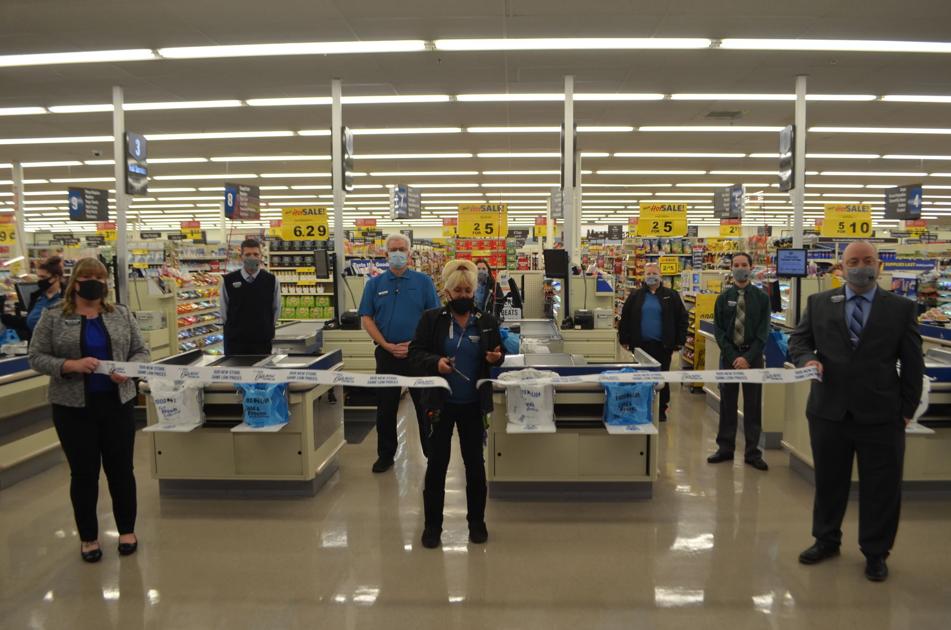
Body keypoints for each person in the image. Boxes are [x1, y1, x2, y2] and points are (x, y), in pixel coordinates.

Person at [789, 241, 923, 582]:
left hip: (882, 414)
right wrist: (807, 360)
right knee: (829, 482)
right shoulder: (818, 303)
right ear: (841, 267)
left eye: (867, 261)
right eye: (853, 261)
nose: (860, 267)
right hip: (828, 411)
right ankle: (826, 539)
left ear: (878, 266)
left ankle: (876, 552)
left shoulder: (900, 308)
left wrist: (906, 409)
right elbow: (799, 342)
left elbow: (912, 362)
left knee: (881, 487)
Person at [28, 257, 150, 563]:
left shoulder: (120, 314)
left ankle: (126, 530)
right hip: (72, 409)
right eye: (88, 277)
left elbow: (141, 349)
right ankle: (88, 537)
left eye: (100, 277)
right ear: (75, 282)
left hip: (117, 403)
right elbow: (36, 357)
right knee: (83, 474)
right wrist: (69, 365)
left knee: (121, 470)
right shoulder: (53, 317)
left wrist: (129, 370)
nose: (95, 282)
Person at [409, 259, 504, 549]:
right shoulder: (432, 319)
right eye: (458, 290)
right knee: (437, 465)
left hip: (473, 404)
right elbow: (416, 353)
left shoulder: (486, 321)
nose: (463, 295)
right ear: (447, 292)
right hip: (440, 404)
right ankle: (432, 526)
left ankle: (477, 522)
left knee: (475, 465)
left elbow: (498, 354)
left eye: (468, 290)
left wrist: (495, 358)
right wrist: (435, 362)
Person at [359, 233, 440, 473]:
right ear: (385, 255)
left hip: (417, 355)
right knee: (385, 408)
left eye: (402, 249)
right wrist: (385, 344)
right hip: (386, 355)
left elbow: (433, 317)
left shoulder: (423, 281)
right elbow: (367, 318)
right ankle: (385, 455)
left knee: (425, 407)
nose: (397, 253)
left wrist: (415, 344)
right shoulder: (374, 284)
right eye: (393, 249)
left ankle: (431, 453)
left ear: (410, 254)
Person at [708, 252, 771, 471]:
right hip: (729, 359)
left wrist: (748, 357)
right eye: (736, 265)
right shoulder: (723, 298)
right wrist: (735, 357)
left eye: (744, 264)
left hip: (753, 360)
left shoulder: (762, 299)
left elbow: (763, 333)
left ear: (751, 268)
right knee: (727, 404)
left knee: (753, 406)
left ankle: (753, 452)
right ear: (731, 268)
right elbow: (719, 331)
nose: (740, 268)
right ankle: (725, 448)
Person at [617, 262, 688, 422]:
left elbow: (682, 319)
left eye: (654, 273)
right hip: (640, 346)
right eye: (648, 274)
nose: (651, 276)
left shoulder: (671, 295)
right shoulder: (636, 296)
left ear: (660, 276)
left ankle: (661, 408)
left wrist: (679, 341)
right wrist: (624, 339)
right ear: (644, 276)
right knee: (640, 377)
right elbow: (625, 318)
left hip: (663, 346)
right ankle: (641, 406)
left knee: (662, 378)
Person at [220, 238, 280, 355]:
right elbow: (223, 310)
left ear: (261, 256)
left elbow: (276, 308)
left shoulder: (271, 280)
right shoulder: (228, 280)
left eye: (255, 254)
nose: (252, 258)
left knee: (261, 372)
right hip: (235, 342)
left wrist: (266, 328)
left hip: (262, 341)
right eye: (248, 254)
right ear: (241, 256)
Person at [27, 255, 66, 332]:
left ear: (55, 277)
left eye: (43, 277)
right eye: (38, 277)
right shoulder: (36, 296)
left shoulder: (67, 297)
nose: (39, 280)